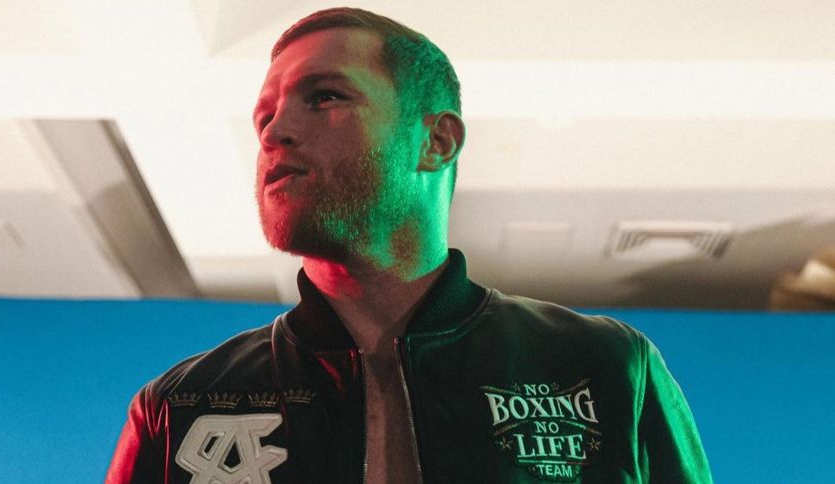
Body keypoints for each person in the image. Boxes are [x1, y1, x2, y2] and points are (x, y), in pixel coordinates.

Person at [107, 7, 711, 483]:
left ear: (436, 142)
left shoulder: (605, 366)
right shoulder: (178, 406)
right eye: (265, 116)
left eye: (325, 96)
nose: (275, 131)